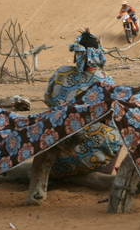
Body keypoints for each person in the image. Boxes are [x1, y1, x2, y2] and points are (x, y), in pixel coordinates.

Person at [44, 29, 121, 177]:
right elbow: (113, 113)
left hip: (55, 155)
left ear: (76, 54)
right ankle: (104, 172)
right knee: (120, 128)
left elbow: (48, 100)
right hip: (90, 158)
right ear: (98, 55)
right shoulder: (105, 79)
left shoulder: (60, 73)